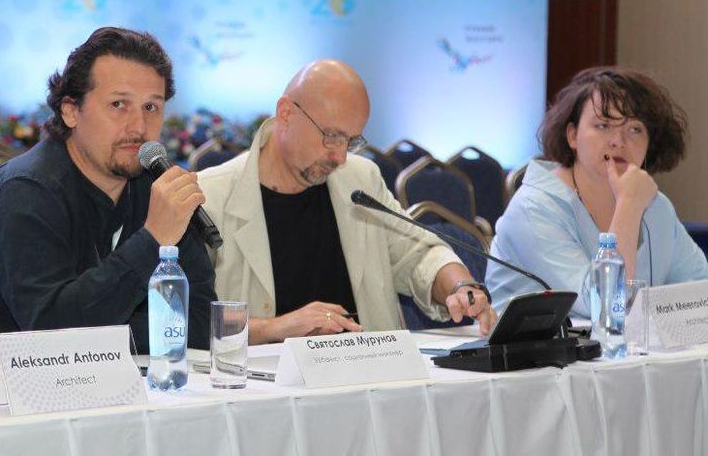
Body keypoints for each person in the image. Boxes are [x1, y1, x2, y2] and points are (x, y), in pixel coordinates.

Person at [0, 27, 216, 362]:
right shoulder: (23, 193)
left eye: (151, 107)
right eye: (118, 104)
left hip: (119, 381)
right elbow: (55, 336)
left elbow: (200, 323)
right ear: (71, 111)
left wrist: (107, 328)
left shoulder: (156, 187)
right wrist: (153, 240)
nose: (139, 127)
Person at [200, 60, 495, 343]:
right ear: (286, 113)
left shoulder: (361, 178)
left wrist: (459, 287)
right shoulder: (210, 195)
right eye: (331, 136)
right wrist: (276, 328)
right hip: (264, 375)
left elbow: (418, 254)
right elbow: (194, 319)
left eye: (351, 141)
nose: (340, 157)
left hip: (366, 369)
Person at [488, 67, 708, 316]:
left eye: (635, 129)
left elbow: (701, 292)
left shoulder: (656, 206)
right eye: (603, 125)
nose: (618, 141)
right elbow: (605, 307)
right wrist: (629, 204)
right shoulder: (534, 208)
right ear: (572, 135)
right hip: (532, 343)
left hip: (630, 343)